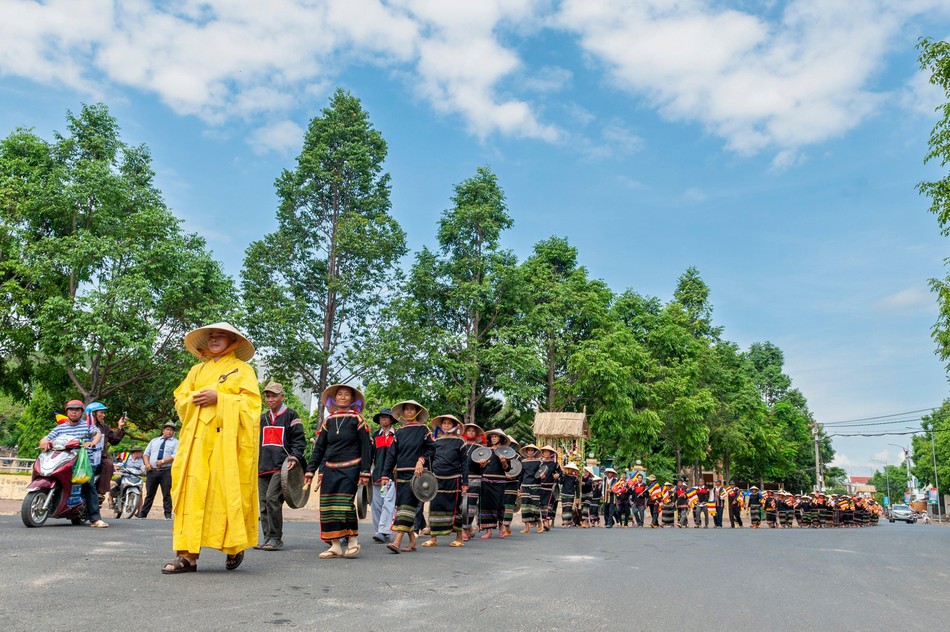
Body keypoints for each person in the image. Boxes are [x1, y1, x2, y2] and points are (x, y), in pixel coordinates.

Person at [162, 322, 261, 574]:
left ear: (233, 342)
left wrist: (221, 398)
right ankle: (187, 556)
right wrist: (191, 399)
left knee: (226, 492)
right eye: (212, 337)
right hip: (197, 441)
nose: (215, 340)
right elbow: (181, 398)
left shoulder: (242, 369)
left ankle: (233, 545)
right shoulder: (196, 370)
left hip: (228, 445)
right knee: (190, 493)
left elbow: (252, 406)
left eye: (221, 336)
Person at [303, 384, 372, 559]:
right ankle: (335, 545)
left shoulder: (358, 419)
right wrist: (311, 471)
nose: (342, 397)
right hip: (331, 469)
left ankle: (352, 541)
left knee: (346, 505)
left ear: (352, 399)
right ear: (334, 398)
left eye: (346, 395)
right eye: (339, 394)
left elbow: (366, 447)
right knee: (328, 506)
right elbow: (319, 448)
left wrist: (365, 471)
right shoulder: (328, 421)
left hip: (351, 468)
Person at [39, 399, 108, 528]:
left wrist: (92, 442)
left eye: (77, 410)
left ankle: (95, 519)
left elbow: (97, 434)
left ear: (81, 412)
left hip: (83, 462)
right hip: (64, 460)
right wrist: (44, 440)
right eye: (71, 410)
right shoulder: (60, 427)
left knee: (89, 485)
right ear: (67, 412)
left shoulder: (87, 426)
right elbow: (48, 436)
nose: (74, 412)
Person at [256, 382, 305, 551]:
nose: (270, 399)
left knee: (272, 498)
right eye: (268, 396)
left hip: (282, 467)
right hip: (263, 465)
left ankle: (276, 537)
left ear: (282, 397)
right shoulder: (262, 418)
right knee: (263, 503)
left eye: (274, 396)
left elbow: (299, 440)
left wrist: (294, 456)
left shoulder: (291, 415)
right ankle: (267, 537)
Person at [381, 400, 435, 553]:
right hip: (400, 475)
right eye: (406, 409)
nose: (409, 412)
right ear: (403, 413)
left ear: (417, 411)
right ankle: (412, 542)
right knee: (403, 506)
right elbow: (391, 455)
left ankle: (397, 542)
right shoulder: (399, 432)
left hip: (417, 475)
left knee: (407, 507)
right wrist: (386, 474)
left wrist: (421, 460)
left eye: (412, 409)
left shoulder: (424, 429)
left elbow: (431, 449)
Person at [423, 414, 469, 547]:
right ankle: (433, 538)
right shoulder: (435, 442)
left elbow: (464, 464)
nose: (447, 425)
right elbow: (429, 459)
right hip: (437, 479)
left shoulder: (460, 442)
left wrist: (465, 483)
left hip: (454, 479)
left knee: (455, 508)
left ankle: (459, 538)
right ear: (441, 426)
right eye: (444, 423)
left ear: (455, 426)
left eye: (449, 423)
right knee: (435, 506)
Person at [85, 402, 126, 502]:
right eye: (101, 412)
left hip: (100, 456)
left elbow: (114, 441)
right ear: (92, 413)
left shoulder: (105, 428)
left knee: (108, 464)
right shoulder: (82, 426)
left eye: (104, 413)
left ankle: (100, 492)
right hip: (83, 455)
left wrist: (120, 427)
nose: (103, 415)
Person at [139, 421, 179, 520]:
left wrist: (163, 461)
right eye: (167, 429)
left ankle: (168, 515)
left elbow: (176, 455)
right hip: (152, 470)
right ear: (163, 430)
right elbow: (146, 453)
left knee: (167, 494)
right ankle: (143, 514)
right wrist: (147, 464)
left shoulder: (176, 442)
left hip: (166, 470)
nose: (169, 432)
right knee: (149, 494)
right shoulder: (154, 441)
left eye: (171, 430)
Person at [370, 407, 397, 544]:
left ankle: (383, 531)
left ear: (391, 419)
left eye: (386, 417)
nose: (383, 419)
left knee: (388, 503)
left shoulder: (397, 435)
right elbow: (370, 456)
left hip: (391, 476)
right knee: (376, 505)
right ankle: (379, 531)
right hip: (377, 475)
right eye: (381, 417)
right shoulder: (375, 436)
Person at [477, 429, 510, 539]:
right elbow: (481, 468)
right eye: (492, 437)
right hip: (486, 480)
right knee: (487, 504)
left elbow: (507, 468)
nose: (494, 438)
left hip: (500, 480)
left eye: (496, 436)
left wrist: (503, 462)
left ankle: (501, 529)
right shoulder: (486, 451)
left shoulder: (505, 452)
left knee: (499, 504)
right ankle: (488, 531)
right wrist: (482, 465)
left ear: (500, 438)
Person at [461, 423, 485, 540]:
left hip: (475, 478)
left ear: (476, 434)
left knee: (470, 505)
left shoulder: (480, 449)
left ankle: (465, 529)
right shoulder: (460, 446)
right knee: (461, 505)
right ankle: (467, 527)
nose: (471, 432)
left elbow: (484, 467)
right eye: (469, 430)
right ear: (465, 432)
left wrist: (482, 464)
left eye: (473, 431)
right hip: (461, 478)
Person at [518, 444, 544, 533]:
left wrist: (542, 476)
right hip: (525, 485)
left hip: (535, 485)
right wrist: (518, 487)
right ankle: (527, 527)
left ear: (535, 452)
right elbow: (521, 475)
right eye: (528, 450)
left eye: (532, 450)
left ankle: (540, 523)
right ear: (526, 452)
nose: (530, 452)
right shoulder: (523, 462)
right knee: (525, 506)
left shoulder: (539, 462)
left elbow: (542, 472)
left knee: (535, 506)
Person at [559, 462, 580, 527]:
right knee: (564, 507)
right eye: (569, 469)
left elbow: (577, 488)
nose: (570, 470)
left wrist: (577, 497)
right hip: (564, 493)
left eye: (572, 469)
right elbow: (560, 482)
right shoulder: (564, 476)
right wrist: (561, 476)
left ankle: (567, 521)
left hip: (571, 494)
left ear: (573, 470)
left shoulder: (575, 478)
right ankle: (565, 521)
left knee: (568, 508)